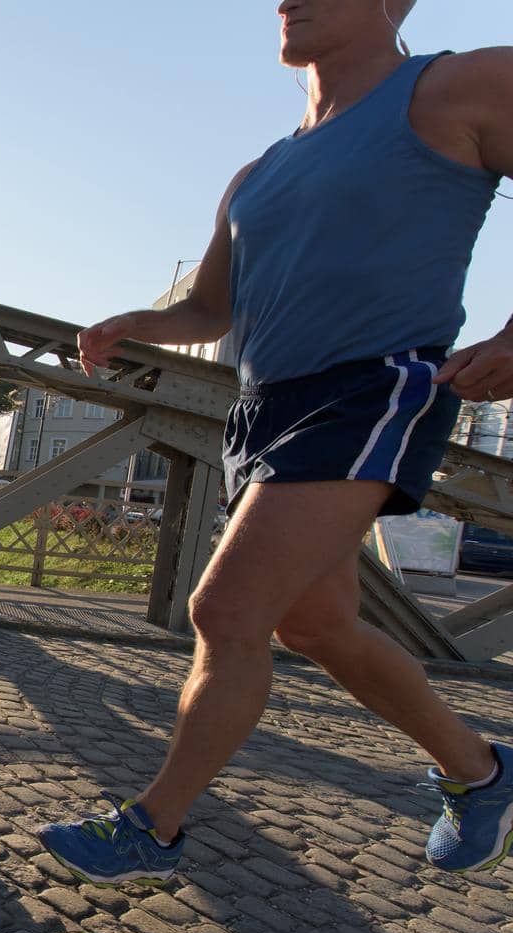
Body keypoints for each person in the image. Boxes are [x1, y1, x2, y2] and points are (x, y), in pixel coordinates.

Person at [37, 0, 513, 886]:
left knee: (225, 610)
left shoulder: (456, 85)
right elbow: (209, 309)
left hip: (372, 386)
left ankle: (155, 826)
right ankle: (481, 772)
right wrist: (135, 320)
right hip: (262, 412)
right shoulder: (260, 171)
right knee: (317, 623)